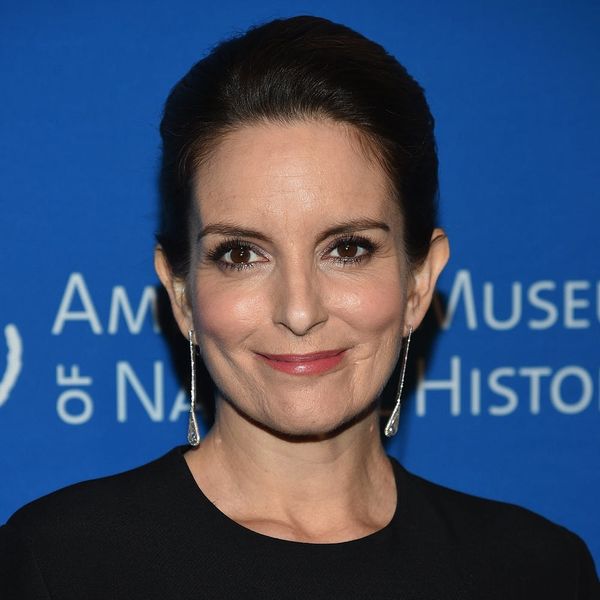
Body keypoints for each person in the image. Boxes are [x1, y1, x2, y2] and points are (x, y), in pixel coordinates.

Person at [1, 15, 598, 600]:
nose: (299, 310)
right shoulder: (60, 564)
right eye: (241, 254)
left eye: (347, 249)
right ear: (181, 293)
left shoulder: (539, 572)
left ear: (419, 282)